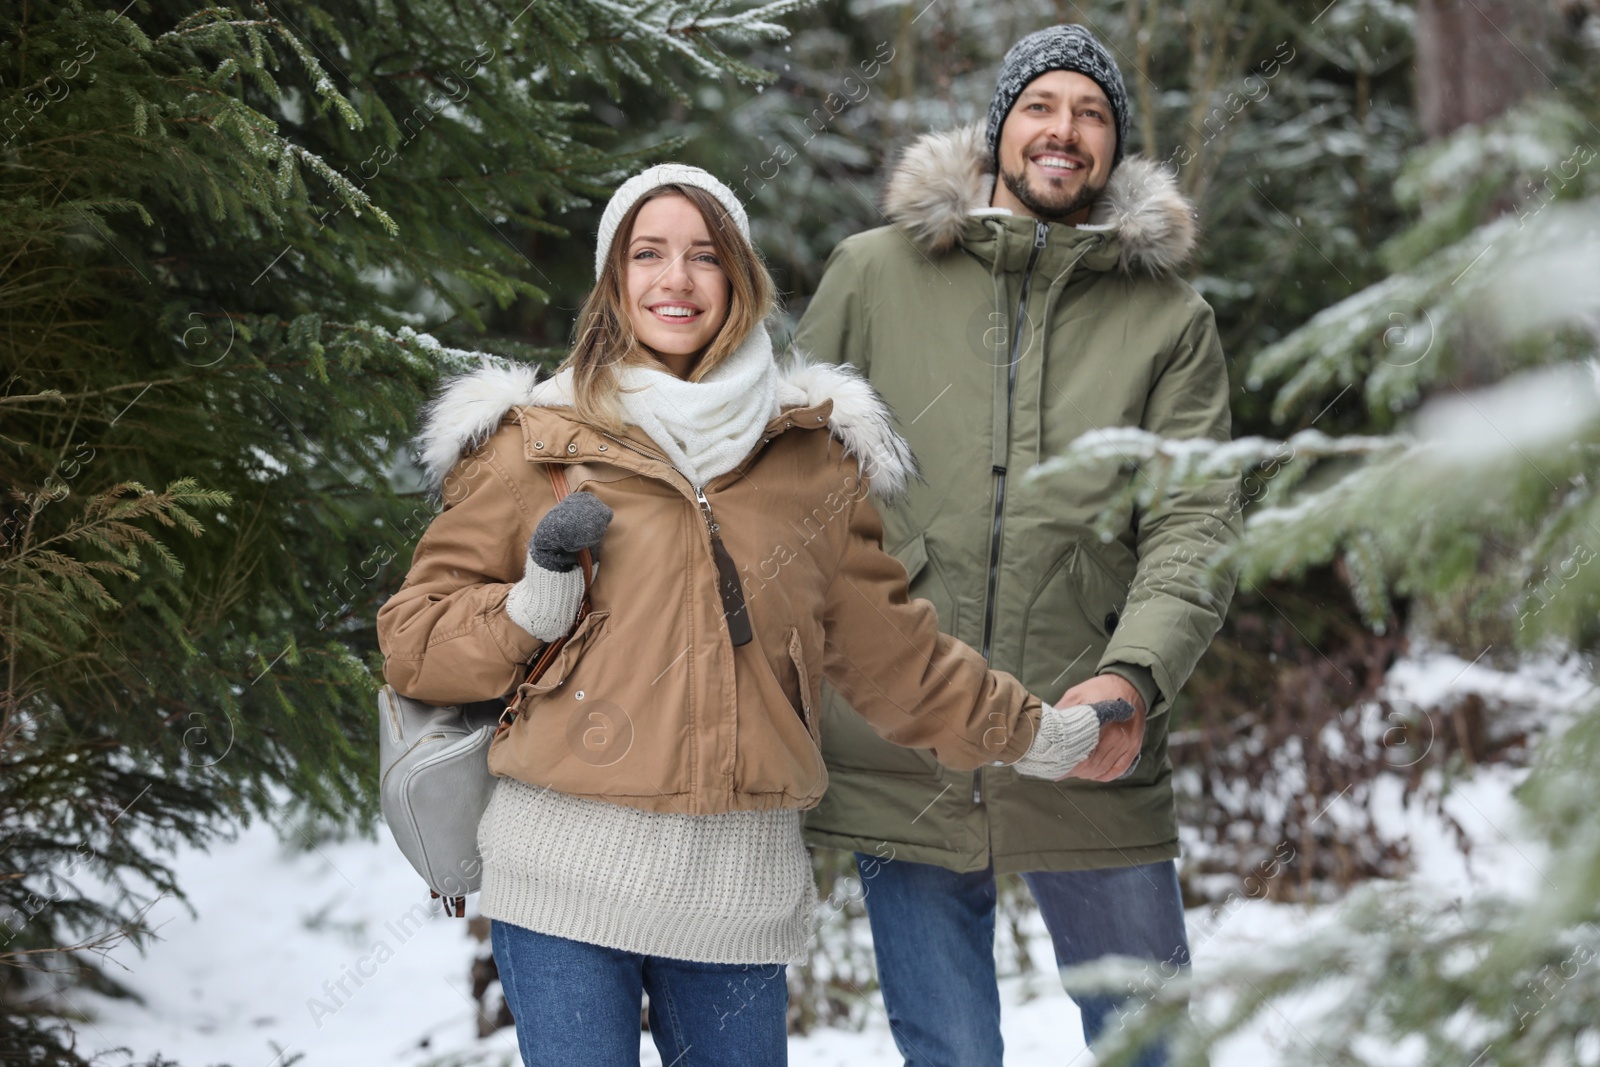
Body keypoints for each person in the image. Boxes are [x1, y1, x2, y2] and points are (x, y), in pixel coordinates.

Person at [376, 163, 1133, 1067]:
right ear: (614, 279)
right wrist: (530, 609)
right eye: (647, 253)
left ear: (740, 278)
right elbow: (413, 645)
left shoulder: (811, 457)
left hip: (736, 898)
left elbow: (901, 662)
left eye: (704, 255)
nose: (676, 279)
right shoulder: (533, 442)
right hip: (560, 882)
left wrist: (1043, 734)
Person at [794, 24, 1242, 1067]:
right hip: (900, 735)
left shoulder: (1170, 319)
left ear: (1113, 145)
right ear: (999, 128)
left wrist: (1130, 679)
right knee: (945, 1049)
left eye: (1090, 113)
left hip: (1092, 738)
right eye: (1041, 105)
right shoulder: (870, 274)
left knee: (1151, 1044)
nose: (1063, 131)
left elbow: (1195, 517)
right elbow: (795, 484)